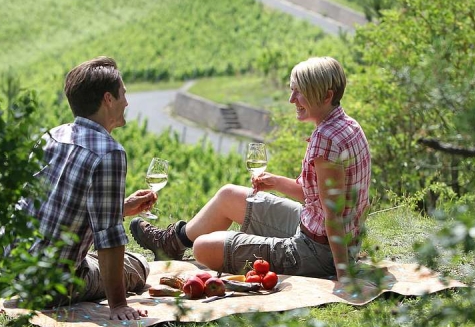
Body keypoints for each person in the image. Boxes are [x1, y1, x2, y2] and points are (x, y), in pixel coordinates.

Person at [130, 56, 371, 281]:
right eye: (292, 90)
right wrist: (276, 182)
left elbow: (334, 216)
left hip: (318, 251)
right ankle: (171, 243)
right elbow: (317, 197)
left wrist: (344, 276)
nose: (292, 99)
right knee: (229, 195)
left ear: (327, 96)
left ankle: (174, 244)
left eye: (300, 92)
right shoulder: (347, 125)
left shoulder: (326, 139)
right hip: (318, 231)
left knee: (203, 247)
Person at [13, 56, 156, 320]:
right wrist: (119, 305)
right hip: (50, 287)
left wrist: (120, 208)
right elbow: (109, 236)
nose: (127, 101)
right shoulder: (109, 152)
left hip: (14, 271)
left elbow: (54, 206)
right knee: (138, 265)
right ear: (108, 99)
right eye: (123, 93)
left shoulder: (53, 135)